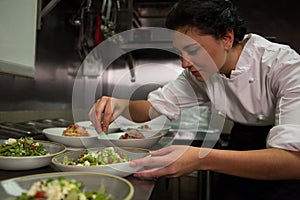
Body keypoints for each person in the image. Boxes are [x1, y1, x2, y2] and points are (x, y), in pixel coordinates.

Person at [89, 0, 300, 199]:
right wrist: (120, 105)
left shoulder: (285, 66)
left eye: (192, 51)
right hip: (241, 143)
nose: (184, 64)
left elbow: (293, 162)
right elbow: (151, 108)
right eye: (180, 53)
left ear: (226, 38)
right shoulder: (201, 73)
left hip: (282, 161)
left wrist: (202, 158)